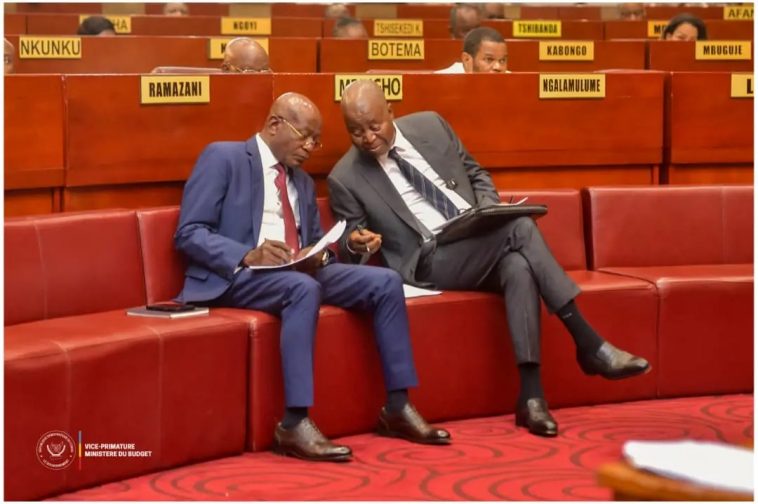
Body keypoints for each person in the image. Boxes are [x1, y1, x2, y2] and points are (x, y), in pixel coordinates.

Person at [327, 81, 651, 438]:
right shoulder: (345, 177)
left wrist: (487, 210)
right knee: (521, 228)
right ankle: (588, 343)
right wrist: (357, 243)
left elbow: (476, 173)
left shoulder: (431, 125)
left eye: (374, 126)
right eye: (356, 132)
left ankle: (531, 398)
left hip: (477, 234)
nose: (368, 138)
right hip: (429, 258)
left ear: (391, 111)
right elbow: (349, 241)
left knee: (518, 266)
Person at [174, 92, 451, 462]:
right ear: (275, 125)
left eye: (315, 141)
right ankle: (294, 422)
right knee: (302, 288)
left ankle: (398, 406)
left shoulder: (302, 182)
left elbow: (316, 245)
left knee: (384, 282)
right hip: (238, 275)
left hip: (293, 274)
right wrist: (246, 254)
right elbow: (189, 233)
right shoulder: (224, 158)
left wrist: (345, 246)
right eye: (304, 137)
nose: (309, 147)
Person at [437, 27, 507, 74]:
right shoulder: (440, 82)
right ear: (466, 59)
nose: (498, 67)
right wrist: (470, 81)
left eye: (502, 60)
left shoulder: (511, 81)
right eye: (489, 59)